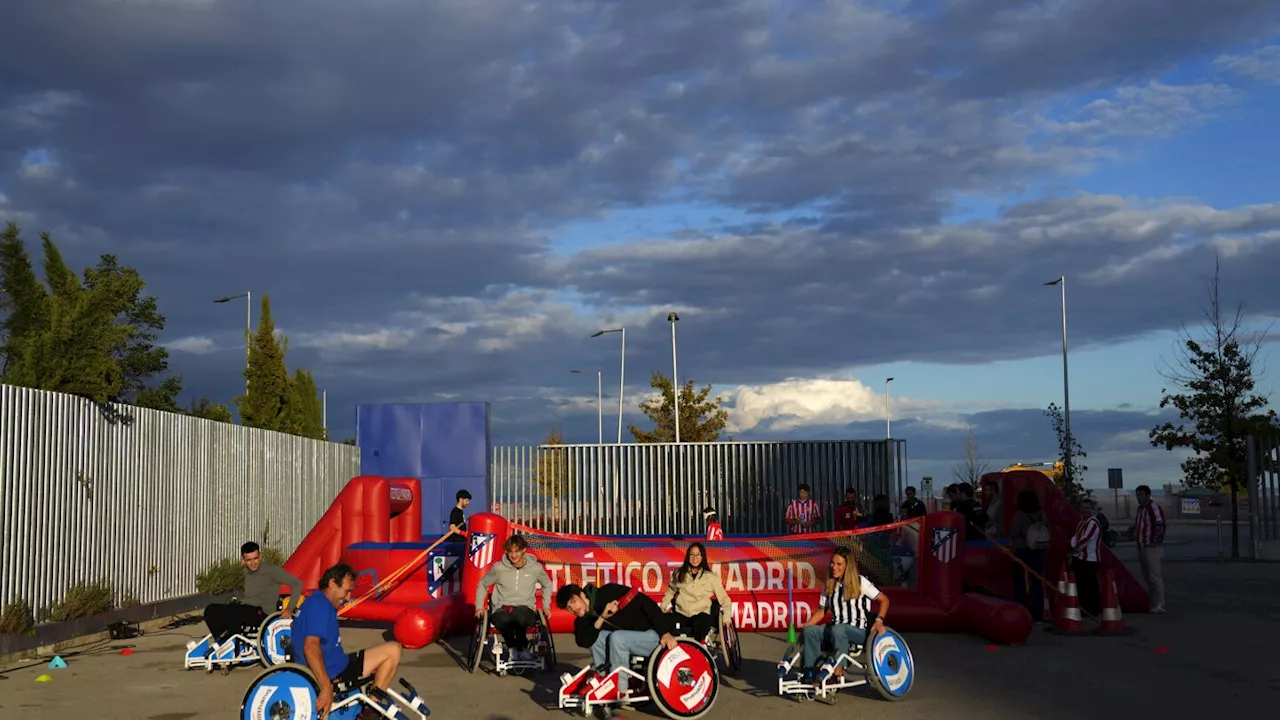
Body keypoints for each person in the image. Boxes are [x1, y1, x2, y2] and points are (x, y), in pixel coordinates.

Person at [292, 563, 405, 719]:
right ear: (332, 583)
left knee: (393, 651)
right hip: (334, 672)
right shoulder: (319, 606)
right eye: (346, 591)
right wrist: (326, 687)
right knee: (393, 651)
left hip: (339, 664)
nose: (348, 598)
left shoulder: (315, 603)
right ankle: (370, 710)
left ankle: (370, 708)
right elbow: (310, 647)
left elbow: (296, 628)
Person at [556, 582, 679, 701]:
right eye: (568, 607)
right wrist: (602, 618)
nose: (573, 608)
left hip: (653, 634)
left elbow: (646, 602)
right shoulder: (581, 620)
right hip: (629, 640)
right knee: (596, 638)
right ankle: (604, 681)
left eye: (573, 601)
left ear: (582, 595)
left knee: (617, 637)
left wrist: (665, 632)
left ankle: (619, 690)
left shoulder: (608, 592)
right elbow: (584, 641)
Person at [798, 546, 889, 682]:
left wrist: (879, 620)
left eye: (839, 564)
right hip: (836, 630)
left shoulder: (860, 582)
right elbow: (822, 611)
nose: (834, 567)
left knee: (839, 628)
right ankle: (810, 673)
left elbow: (884, 600)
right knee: (811, 631)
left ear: (847, 566)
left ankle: (837, 672)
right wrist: (805, 627)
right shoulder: (829, 585)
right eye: (832, 563)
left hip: (858, 632)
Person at [203, 541, 302, 645]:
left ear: (260, 556)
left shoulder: (271, 570)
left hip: (263, 612)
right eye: (249, 560)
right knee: (211, 610)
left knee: (236, 613)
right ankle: (221, 643)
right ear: (243, 561)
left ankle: (233, 645)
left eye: (255, 558)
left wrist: (290, 609)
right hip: (248, 609)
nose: (253, 563)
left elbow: (297, 584)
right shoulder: (246, 572)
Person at [473, 534, 553, 661]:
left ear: (524, 550)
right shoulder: (498, 568)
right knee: (503, 619)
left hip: (525, 608)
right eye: (510, 551)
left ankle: (522, 648)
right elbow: (483, 584)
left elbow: (547, 584)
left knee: (519, 615)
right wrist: (479, 607)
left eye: (517, 551)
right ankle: (514, 648)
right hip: (502, 607)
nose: (513, 555)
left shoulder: (535, 568)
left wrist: (546, 606)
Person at [660, 542, 732, 641]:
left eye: (698, 555)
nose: (695, 558)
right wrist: (663, 606)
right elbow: (670, 592)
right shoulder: (679, 574)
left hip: (700, 615)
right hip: (682, 614)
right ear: (688, 557)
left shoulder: (711, 577)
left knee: (703, 620)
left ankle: (698, 647)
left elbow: (724, 599)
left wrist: (727, 616)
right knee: (664, 620)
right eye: (692, 555)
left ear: (702, 557)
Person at [1008, 490, 1050, 623]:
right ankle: (1038, 616)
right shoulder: (1042, 515)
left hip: (1023, 553)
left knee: (1019, 583)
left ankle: (1019, 614)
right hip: (1040, 552)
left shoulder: (1019, 516)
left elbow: (1014, 534)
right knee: (1038, 583)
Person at [1132, 485, 1166, 613]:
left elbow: (1159, 525)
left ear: (1148, 495)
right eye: (1137, 495)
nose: (1139, 497)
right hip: (1142, 545)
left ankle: (1160, 604)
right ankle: (1152, 602)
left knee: (1155, 576)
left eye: (1141, 495)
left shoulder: (1153, 508)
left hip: (1151, 547)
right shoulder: (1141, 509)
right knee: (1147, 576)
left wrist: (1155, 540)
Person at [1069, 498, 1103, 615]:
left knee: (1089, 586)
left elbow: (1085, 539)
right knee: (1082, 585)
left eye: (1087, 508)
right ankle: (1084, 608)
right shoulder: (1082, 522)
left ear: (1092, 509)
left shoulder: (1093, 523)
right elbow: (1076, 537)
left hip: (1089, 560)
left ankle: (1092, 610)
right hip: (1080, 558)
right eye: (1083, 508)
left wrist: (1074, 549)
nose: (1084, 510)